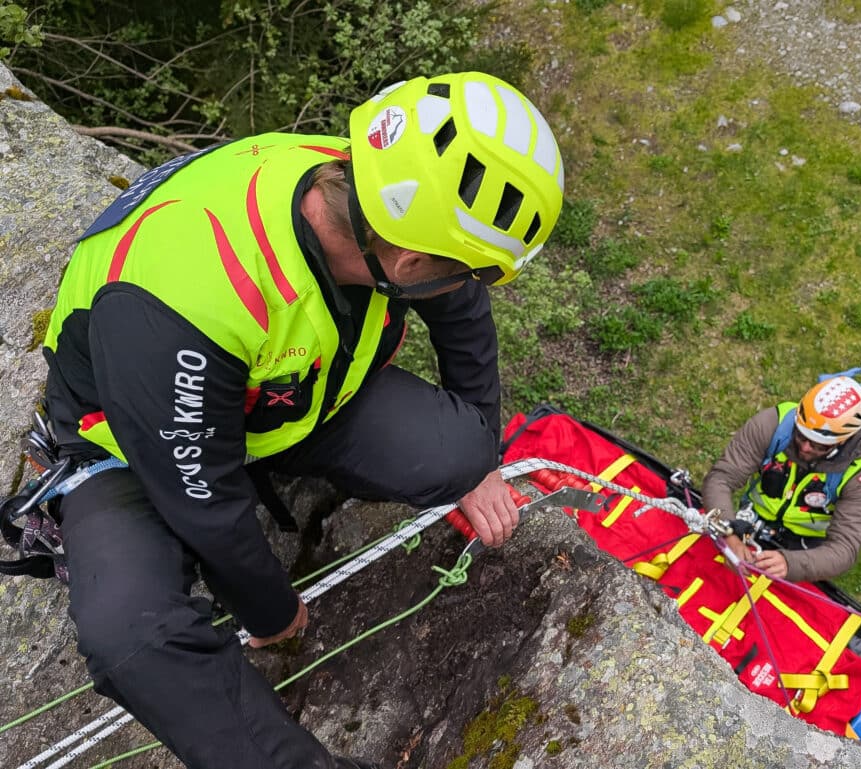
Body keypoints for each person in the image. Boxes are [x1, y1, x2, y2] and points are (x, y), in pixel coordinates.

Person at [39, 71, 563, 769]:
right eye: (467, 267)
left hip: (294, 396)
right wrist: (274, 613)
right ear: (408, 260)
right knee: (129, 634)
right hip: (130, 444)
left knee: (461, 449)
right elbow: (207, 505)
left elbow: (460, 311)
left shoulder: (362, 178)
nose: (469, 285)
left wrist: (481, 457)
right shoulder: (185, 300)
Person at [701, 375, 861, 583]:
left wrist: (792, 564)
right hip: (748, 523)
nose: (805, 448)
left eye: (819, 446)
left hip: (806, 548)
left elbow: (844, 548)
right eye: (801, 435)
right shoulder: (773, 424)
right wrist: (728, 531)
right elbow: (722, 477)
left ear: (843, 442)